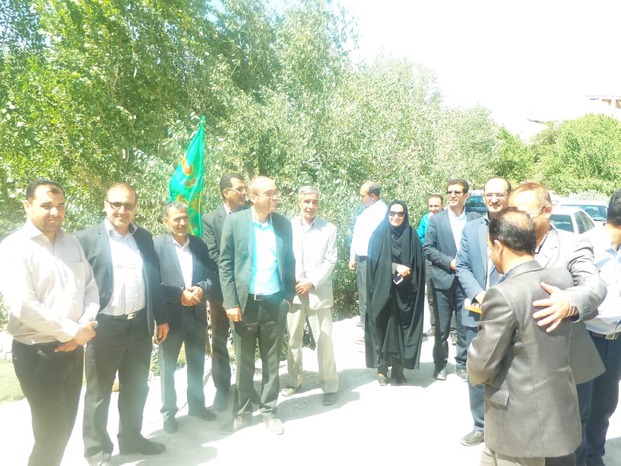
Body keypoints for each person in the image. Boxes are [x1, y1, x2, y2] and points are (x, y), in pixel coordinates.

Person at [468, 207, 581, 466]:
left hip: (519, 429)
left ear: (499, 246)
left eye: (489, 246)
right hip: (561, 416)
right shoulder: (562, 279)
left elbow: (480, 365)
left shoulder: (503, 294)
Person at [0, 179, 99, 466]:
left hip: (74, 349)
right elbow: (23, 305)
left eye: (60, 206)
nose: (55, 212)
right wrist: (74, 331)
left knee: (64, 428)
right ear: (27, 205)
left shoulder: (72, 243)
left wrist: (83, 327)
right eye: (46, 205)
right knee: (50, 434)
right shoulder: (14, 248)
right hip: (38, 354)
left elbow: (90, 287)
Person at [508, 182, 606, 466]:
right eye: (513, 213)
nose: (517, 221)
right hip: (520, 366)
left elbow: (595, 286)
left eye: (525, 214)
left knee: (569, 444)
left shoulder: (572, 243)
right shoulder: (508, 242)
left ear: (547, 211)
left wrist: (569, 301)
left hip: (566, 364)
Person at [76, 183, 169, 466]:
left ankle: (131, 439)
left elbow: (153, 279)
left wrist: (161, 317)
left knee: (136, 388)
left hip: (139, 325)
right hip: (104, 327)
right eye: (116, 204)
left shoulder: (144, 238)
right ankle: (96, 452)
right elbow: (75, 286)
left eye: (128, 205)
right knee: (99, 393)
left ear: (135, 207)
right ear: (105, 205)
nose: (121, 210)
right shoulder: (86, 239)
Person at [218, 176, 296, 436]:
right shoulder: (235, 222)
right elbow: (225, 264)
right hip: (245, 304)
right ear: (252, 197)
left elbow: (289, 261)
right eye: (269, 194)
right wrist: (231, 301)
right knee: (244, 362)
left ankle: (269, 411)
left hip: (275, 303)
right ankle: (242, 412)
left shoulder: (282, 224)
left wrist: (287, 296)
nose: (275, 198)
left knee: (272, 361)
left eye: (275, 193)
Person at [155, 202, 220, 433]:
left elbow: (212, 277)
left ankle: (197, 405)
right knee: (168, 367)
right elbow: (152, 284)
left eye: (185, 217)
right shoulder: (157, 247)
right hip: (170, 317)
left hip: (197, 313)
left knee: (197, 361)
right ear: (166, 222)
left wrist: (202, 288)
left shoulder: (198, 244)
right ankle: (168, 413)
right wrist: (178, 295)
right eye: (176, 219)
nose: (182, 223)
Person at [455, 177, 511, 447]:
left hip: (509, 310)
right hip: (476, 310)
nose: (494, 199)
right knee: (476, 369)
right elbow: (462, 266)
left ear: (509, 196)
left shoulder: (519, 225)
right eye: (489, 194)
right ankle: (480, 425)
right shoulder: (471, 228)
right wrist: (479, 294)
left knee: (507, 370)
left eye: (499, 194)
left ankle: (505, 425)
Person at [281, 186, 339, 406]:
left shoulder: (329, 229)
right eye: (306, 201)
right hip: (293, 291)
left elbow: (330, 261)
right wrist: (294, 281)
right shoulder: (287, 227)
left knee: (324, 340)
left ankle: (330, 384)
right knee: (293, 340)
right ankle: (294, 380)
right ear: (299, 202)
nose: (310, 206)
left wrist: (311, 281)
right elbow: (281, 257)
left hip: (318, 291)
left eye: (314, 202)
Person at [578, 190, 621, 466]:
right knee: (580, 407)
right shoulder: (585, 247)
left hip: (615, 339)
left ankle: (594, 456)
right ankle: (577, 459)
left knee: (604, 406)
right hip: (586, 338)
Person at [365, 201, 426, 386]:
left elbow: (419, 264)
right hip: (382, 292)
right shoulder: (378, 235)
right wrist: (394, 267)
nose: (396, 217)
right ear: (387, 214)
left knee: (401, 330)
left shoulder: (412, 236)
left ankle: (399, 370)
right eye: (392, 213)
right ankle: (382, 369)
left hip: (404, 293)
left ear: (405, 215)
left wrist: (408, 272)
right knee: (382, 328)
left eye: (400, 214)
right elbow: (374, 262)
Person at [424, 179, 479, 381]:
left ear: (466, 195)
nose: (452, 195)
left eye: (457, 192)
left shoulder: (475, 218)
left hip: (467, 282)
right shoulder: (436, 220)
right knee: (442, 326)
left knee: (465, 326)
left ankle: (462, 364)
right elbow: (428, 248)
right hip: (442, 280)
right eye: (449, 192)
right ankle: (440, 364)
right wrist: (450, 262)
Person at [202, 173, 247, 411]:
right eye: (239, 188)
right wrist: (236, 272)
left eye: (245, 188)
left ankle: (246, 388)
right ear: (226, 192)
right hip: (221, 291)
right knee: (219, 341)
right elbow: (213, 253)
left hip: (249, 290)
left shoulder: (250, 214)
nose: (244, 192)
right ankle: (222, 388)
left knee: (245, 340)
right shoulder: (211, 219)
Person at [349, 181, 387, 331]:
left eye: (362, 196)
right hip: (361, 258)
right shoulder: (366, 211)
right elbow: (357, 235)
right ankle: (366, 325)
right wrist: (352, 256)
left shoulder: (382, 212)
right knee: (362, 294)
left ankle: (370, 332)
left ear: (373, 196)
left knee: (368, 296)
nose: (360, 198)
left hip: (371, 259)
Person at [417, 194, 444, 337]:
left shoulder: (447, 219)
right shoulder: (425, 219)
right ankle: (434, 326)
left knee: (448, 294)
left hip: (445, 260)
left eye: (436, 206)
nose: (433, 209)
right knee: (432, 295)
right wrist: (428, 246)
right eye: (431, 206)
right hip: (429, 260)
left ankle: (453, 330)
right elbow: (419, 237)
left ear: (442, 206)